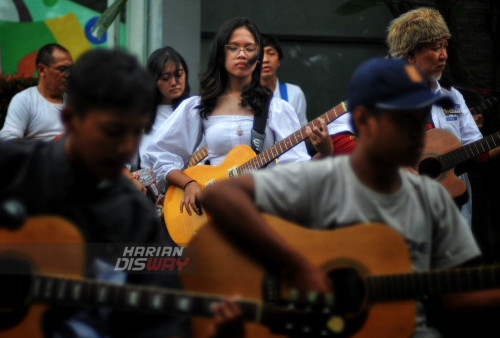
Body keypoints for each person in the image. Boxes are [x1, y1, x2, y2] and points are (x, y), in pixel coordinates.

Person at [198, 57, 500, 337]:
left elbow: (456, 297)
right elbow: (221, 194)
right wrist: (297, 265)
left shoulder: (433, 200)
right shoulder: (322, 180)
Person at [0, 49, 188, 337]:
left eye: (137, 132)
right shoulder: (12, 168)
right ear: (70, 119)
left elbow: (162, 320)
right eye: (113, 131)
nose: (127, 147)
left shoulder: (135, 217)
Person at [147, 17, 313, 216]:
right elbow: (162, 154)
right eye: (233, 47)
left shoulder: (277, 109)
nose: (242, 54)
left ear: (257, 58)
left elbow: (297, 166)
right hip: (211, 212)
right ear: (220, 54)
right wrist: (189, 184)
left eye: (249, 48)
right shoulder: (199, 106)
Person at [386, 7, 500, 226]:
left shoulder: (452, 96)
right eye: (436, 48)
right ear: (410, 56)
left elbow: (475, 150)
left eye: (445, 47)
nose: (444, 55)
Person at [0, 43, 72, 140]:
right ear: (41, 70)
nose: (68, 75)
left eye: (70, 69)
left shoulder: (74, 102)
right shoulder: (25, 100)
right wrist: (52, 147)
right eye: (62, 69)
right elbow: (8, 141)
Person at [138, 46, 191, 170]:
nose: (174, 82)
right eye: (165, 78)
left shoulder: (194, 109)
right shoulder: (139, 116)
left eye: (179, 75)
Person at [260, 34, 308, 126]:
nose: (265, 59)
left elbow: (303, 131)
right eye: (260, 54)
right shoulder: (241, 95)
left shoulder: (294, 93)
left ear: (278, 61)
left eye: (271, 53)